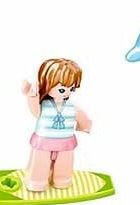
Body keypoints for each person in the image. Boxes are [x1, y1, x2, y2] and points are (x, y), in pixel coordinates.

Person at [22, 58, 91, 191]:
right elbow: (36, 112)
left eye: (72, 88)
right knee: (40, 164)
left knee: (64, 165)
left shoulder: (72, 107)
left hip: (66, 143)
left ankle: (62, 181)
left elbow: (82, 117)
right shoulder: (44, 105)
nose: (68, 92)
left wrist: (85, 126)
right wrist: (32, 96)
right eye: (62, 89)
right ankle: (37, 182)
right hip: (44, 142)